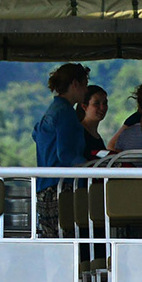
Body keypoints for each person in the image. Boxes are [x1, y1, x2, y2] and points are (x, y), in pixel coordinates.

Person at [34, 62, 93, 191]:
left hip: (45, 184)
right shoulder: (65, 113)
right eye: (85, 85)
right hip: (62, 186)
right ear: (75, 84)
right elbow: (66, 154)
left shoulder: (53, 110)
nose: (86, 90)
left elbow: (36, 134)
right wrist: (92, 167)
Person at [76, 84, 110, 154]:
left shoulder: (96, 136)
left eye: (104, 103)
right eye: (96, 103)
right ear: (84, 107)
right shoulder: (78, 133)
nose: (102, 108)